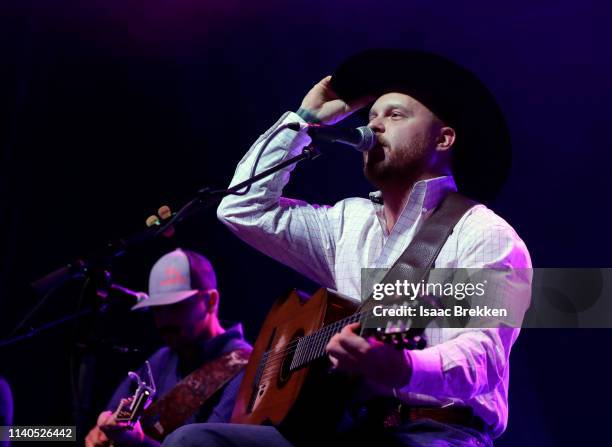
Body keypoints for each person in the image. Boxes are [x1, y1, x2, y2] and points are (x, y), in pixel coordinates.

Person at [164, 49, 532, 447]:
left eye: (394, 115)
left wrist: (404, 365)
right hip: (344, 428)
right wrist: (302, 122)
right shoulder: (347, 222)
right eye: (371, 116)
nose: (374, 126)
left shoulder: (483, 234)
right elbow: (242, 209)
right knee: (193, 441)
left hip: (438, 432)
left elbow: (484, 354)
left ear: (443, 138)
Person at [85, 248, 252, 447]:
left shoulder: (245, 367)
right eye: (157, 309)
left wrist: (138, 443)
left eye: (176, 306)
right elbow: (111, 417)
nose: (163, 320)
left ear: (211, 301)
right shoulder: (161, 359)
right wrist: (101, 432)